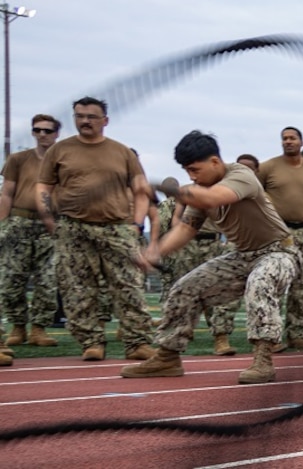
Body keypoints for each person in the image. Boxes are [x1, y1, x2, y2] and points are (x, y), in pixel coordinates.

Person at [120, 130, 299, 384]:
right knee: (185, 288)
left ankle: (263, 361)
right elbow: (186, 228)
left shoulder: (241, 175)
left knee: (260, 282)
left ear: (215, 162)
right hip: (243, 255)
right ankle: (168, 357)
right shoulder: (200, 189)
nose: (191, 176)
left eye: (195, 169)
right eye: (187, 171)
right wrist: (155, 252)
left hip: (278, 252)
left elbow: (216, 197)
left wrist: (157, 186)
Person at [35, 97, 155, 362]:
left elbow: (141, 189)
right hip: (73, 227)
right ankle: (91, 342)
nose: (85, 121)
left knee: (128, 286)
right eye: (79, 116)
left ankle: (137, 342)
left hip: (117, 227)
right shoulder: (60, 151)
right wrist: (48, 217)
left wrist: (136, 224)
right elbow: (44, 186)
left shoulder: (121, 152)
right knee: (78, 289)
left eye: (91, 116)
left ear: (105, 121)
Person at [258, 126, 303, 351]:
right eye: (284, 138)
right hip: (277, 233)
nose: (288, 141)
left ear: (301, 142)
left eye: (292, 138)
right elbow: (251, 196)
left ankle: (296, 333)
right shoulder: (267, 167)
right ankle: (273, 336)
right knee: (275, 285)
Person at [156, 177, 240, 356]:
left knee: (218, 292)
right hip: (190, 243)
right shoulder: (188, 191)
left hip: (213, 243)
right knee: (183, 289)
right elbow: (176, 220)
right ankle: (176, 339)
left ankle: (221, 337)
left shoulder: (220, 192)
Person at [1, 114, 63, 353]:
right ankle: (18, 326)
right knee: (11, 279)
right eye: (37, 130)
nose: (42, 135)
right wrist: (3, 224)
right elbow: (7, 193)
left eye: (47, 131)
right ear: (33, 133)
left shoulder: (63, 162)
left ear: (56, 133)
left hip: (51, 227)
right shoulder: (18, 159)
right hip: (20, 221)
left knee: (47, 280)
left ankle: (39, 328)